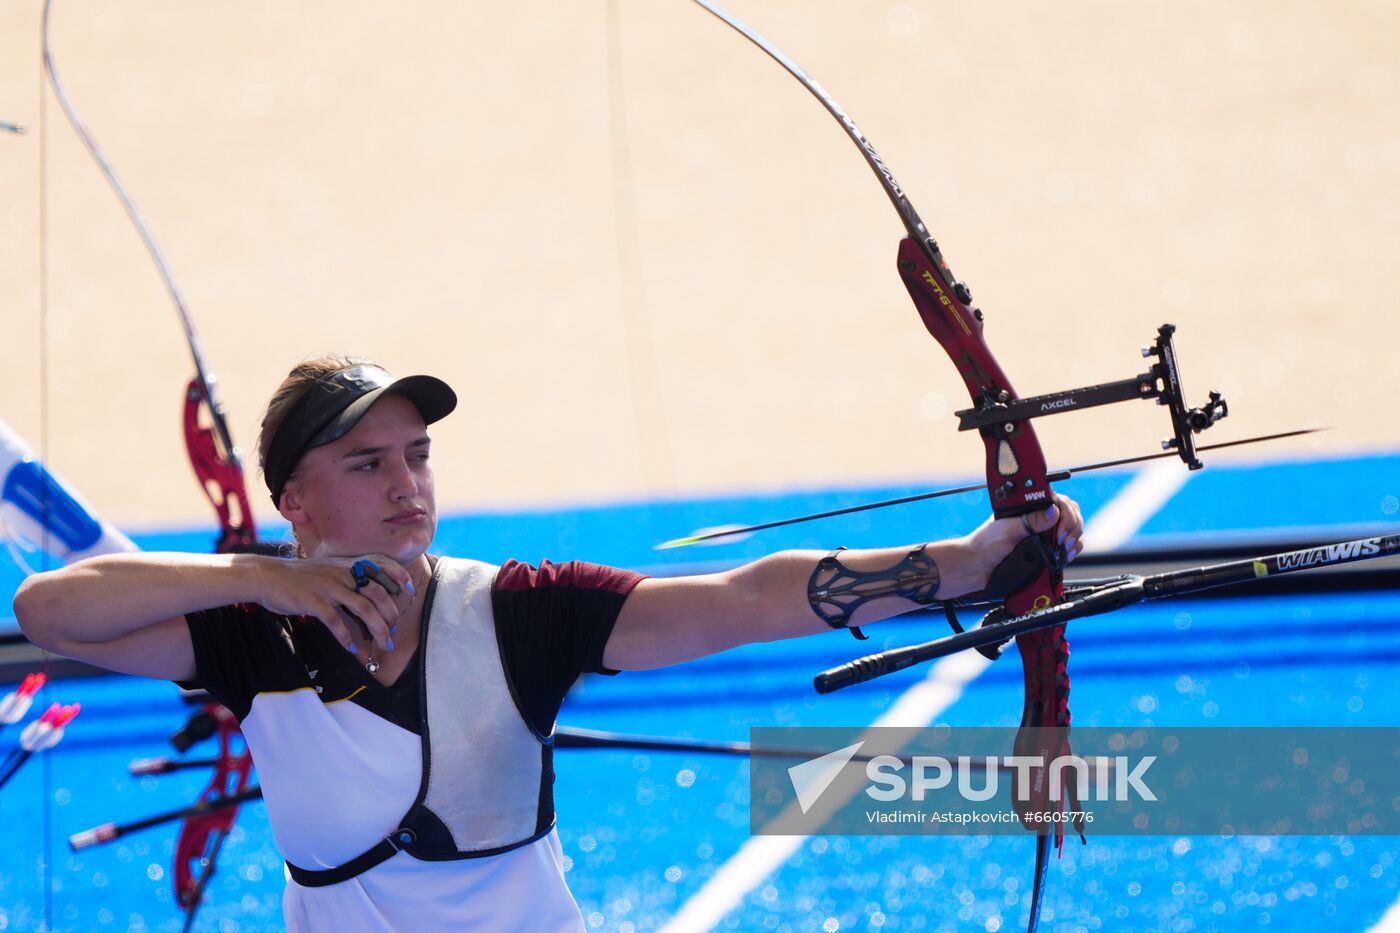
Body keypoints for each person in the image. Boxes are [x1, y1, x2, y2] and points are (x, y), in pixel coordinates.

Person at [14, 355, 1085, 931]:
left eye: (418, 456)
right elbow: (55, 611)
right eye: (368, 463)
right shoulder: (249, 636)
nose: (407, 485)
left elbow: (736, 601)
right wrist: (262, 575)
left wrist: (961, 563)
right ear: (293, 497)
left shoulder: (518, 611)